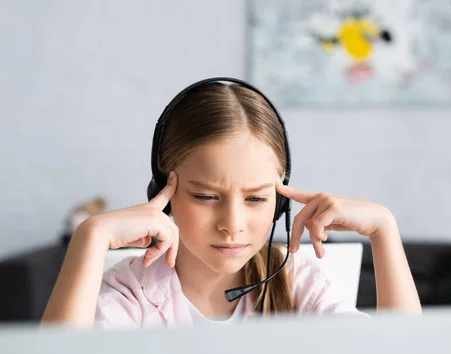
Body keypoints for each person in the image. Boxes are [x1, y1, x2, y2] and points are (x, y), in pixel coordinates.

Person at [41, 78, 422, 329]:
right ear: (162, 190)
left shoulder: (297, 284)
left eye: (256, 198)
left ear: (281, 202)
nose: (232, 223)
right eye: (206, 197)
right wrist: (89, 237)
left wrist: (384, 230)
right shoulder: (132, 296)